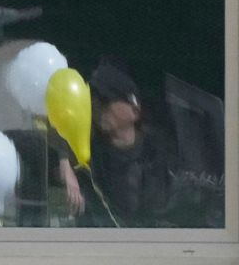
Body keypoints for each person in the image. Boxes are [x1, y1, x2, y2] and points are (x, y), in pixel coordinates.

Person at [58, 56, 173, 227]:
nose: (96, 105)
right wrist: (64, 164)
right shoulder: (88, 154)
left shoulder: (161, 153)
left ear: (134, 110)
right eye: (93, 98)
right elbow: (42, 144)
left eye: (105, 99)